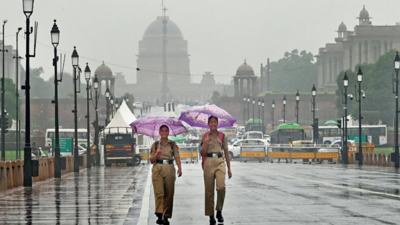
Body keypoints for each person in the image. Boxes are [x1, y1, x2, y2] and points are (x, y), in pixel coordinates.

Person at [201, 116, 232, 224]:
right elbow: (202, 153)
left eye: (215, 122)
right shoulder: (204, 136)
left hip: (220, 161)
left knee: (221, 187)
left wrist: (229, 168)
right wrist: (205, 142)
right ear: (208, 124)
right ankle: (211, 215)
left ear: (217, 124)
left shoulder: (222, 136)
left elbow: (226, 152)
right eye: (211, 122)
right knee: (209, 191)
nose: (213, 124)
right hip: (209, 161)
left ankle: (219, 210)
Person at [150, 125, 182, 225]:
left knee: (169, 193)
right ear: (159, 133)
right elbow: (151, 160)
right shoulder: (155, 145)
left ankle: (166, 216)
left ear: (168, 133)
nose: (164, 132)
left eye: (166, 131)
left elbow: (177, 157)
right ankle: (159, 215)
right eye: (162, 131)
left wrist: (180, 168)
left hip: (169, 168)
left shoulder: (173, 144)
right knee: (159, 193)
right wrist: (157, 153)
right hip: (158, 168)